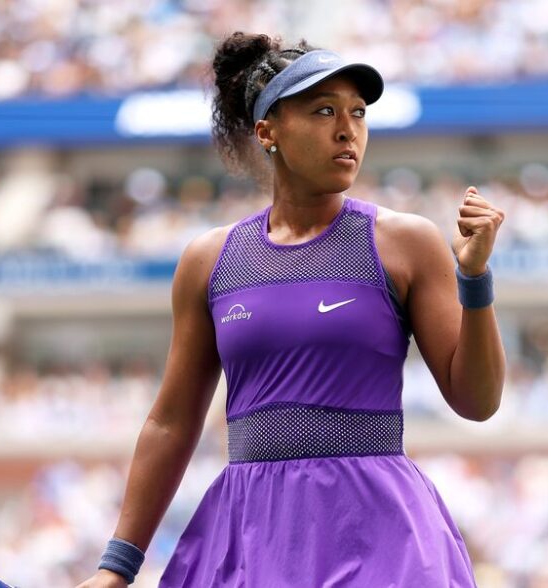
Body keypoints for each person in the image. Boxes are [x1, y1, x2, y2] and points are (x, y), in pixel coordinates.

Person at [78, 32, 506, 587]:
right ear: (268, 132)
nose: (347, 128)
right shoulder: (209, 261)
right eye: (323, 110)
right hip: (249, 533)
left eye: (357, 112)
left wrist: (473, 279)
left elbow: (478, 402)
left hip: (381, 538)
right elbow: (171, 421)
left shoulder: (406, 242)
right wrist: (118, 566)